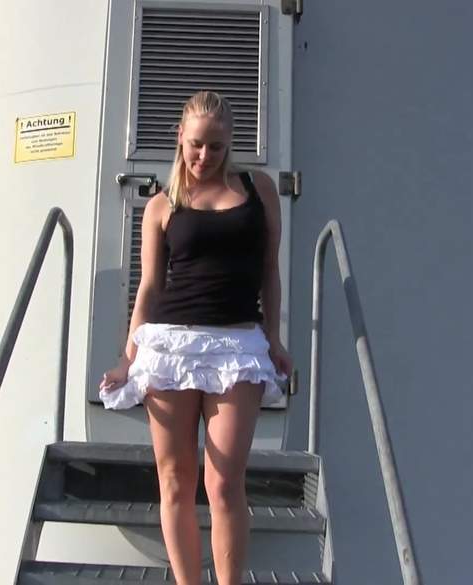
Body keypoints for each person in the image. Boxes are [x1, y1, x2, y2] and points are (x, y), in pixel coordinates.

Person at [98, 90, 292, 585]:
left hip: (237, 347)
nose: (205, 156)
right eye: (196, 145)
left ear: (231, 145)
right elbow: (148, 288)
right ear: (180, 138)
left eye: (217, 147)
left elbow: (270, 271)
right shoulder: (162, 206)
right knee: (175, 482)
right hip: (170, 347)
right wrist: (128, 358)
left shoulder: (259, 190)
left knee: (224, 483)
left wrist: (274, 339)